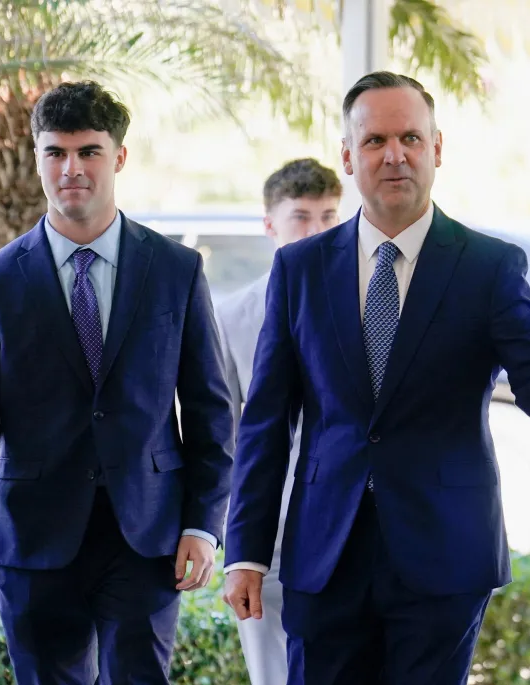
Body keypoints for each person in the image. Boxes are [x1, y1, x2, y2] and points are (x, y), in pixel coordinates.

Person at [221, 71, 530, 685]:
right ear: (348, 155)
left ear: (437, 149)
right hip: (322, 556)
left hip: (443, 557)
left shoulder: (489, 268)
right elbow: (264, 425)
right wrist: (248, 552)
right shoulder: (299, 269)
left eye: (411, 138)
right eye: (376, 140)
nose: (395, 155)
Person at [0, 81, 234, 684]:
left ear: (118, 157)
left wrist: (204, 523)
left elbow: (211, 410)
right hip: (33, 539)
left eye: (89, 151)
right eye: (56, 152)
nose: (72, 169)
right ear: (38, 155)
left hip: (146, 537)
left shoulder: (176, 271)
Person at [215, 157, 342, 684]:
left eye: (329, 216)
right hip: (270, 530)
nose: (316, 230)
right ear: (270, 224)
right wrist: (233, 541)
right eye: (302, 217)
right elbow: (224, 435)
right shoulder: (230, 316)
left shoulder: (365, 302)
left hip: (349, 524)